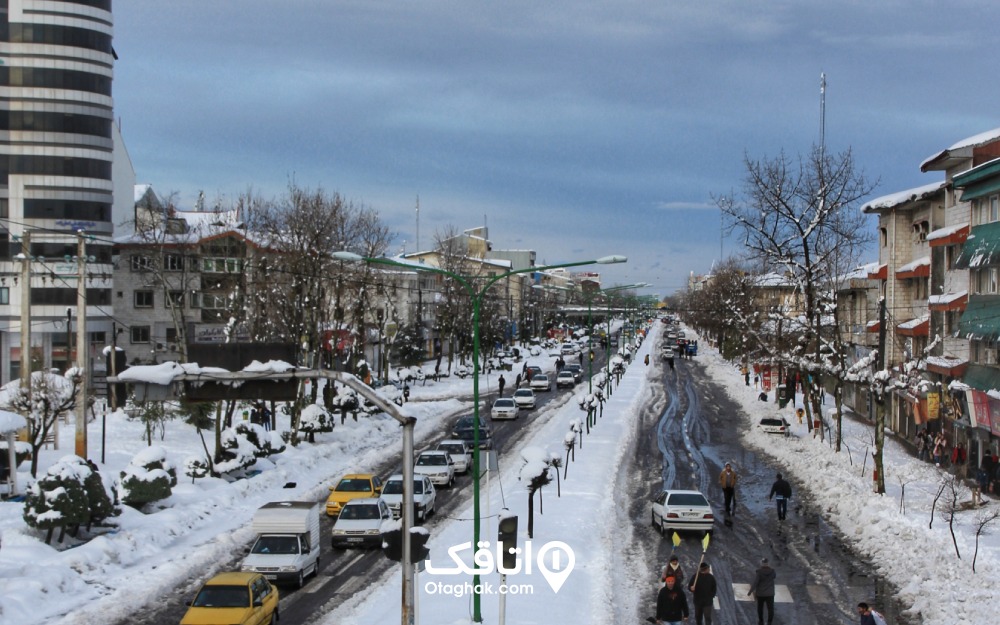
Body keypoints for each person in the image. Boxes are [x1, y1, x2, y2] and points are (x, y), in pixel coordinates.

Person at [747, 558, 776, 625]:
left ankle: (761, 621)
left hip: (761, 593)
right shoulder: (772, 572)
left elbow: (756, 582)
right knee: (770, 608)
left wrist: (750, 591)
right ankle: (769, 622)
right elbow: (774, 577)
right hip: (770, 593)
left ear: (761, 563)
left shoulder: (759, 572)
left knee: (760, 607)